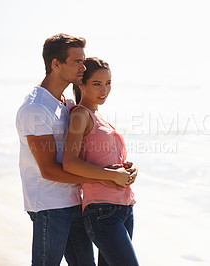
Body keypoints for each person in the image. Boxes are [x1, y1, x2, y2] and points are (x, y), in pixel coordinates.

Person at [16, 34, 136, 266]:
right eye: (77, 62)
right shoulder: (36, 109)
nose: (83, 67)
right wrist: (107, 178)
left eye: (83, 61)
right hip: (49, 206)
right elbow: (49, 170)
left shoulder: (65, 104)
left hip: (75, 201)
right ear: (56, 64)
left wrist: (116, 172)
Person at [63, 57, 139, 266]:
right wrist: (113, 175)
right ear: (81, 84)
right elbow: (70, 162)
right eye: (97, 83)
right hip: (101, 211)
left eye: (108, 83)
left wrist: (129, 170)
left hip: (124, 207)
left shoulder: (100, 116)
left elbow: (104, 160)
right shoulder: (80, 114)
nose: (104, 89)